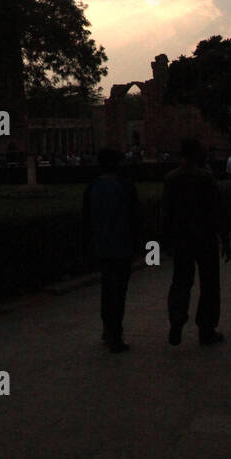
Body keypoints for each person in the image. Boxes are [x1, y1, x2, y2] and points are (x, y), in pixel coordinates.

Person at [162, 139, 230, 346]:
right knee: (209, 283)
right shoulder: (205, 178)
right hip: (205, 237)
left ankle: (177, 318)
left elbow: (166, 213)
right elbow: (216, 210)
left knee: (181, 281)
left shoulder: (171, 178)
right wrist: (225, 238)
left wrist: (166, 240)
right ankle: (206, 329)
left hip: (182, 238)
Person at [82, 148, 142, 353]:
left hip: (101, 246)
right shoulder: (125, 187)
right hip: (122, 246)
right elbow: (135, 218)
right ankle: (114, 334)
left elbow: (86, 221)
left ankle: (108, 328)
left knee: (107, 289)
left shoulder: (92, 188)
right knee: (118, 291)